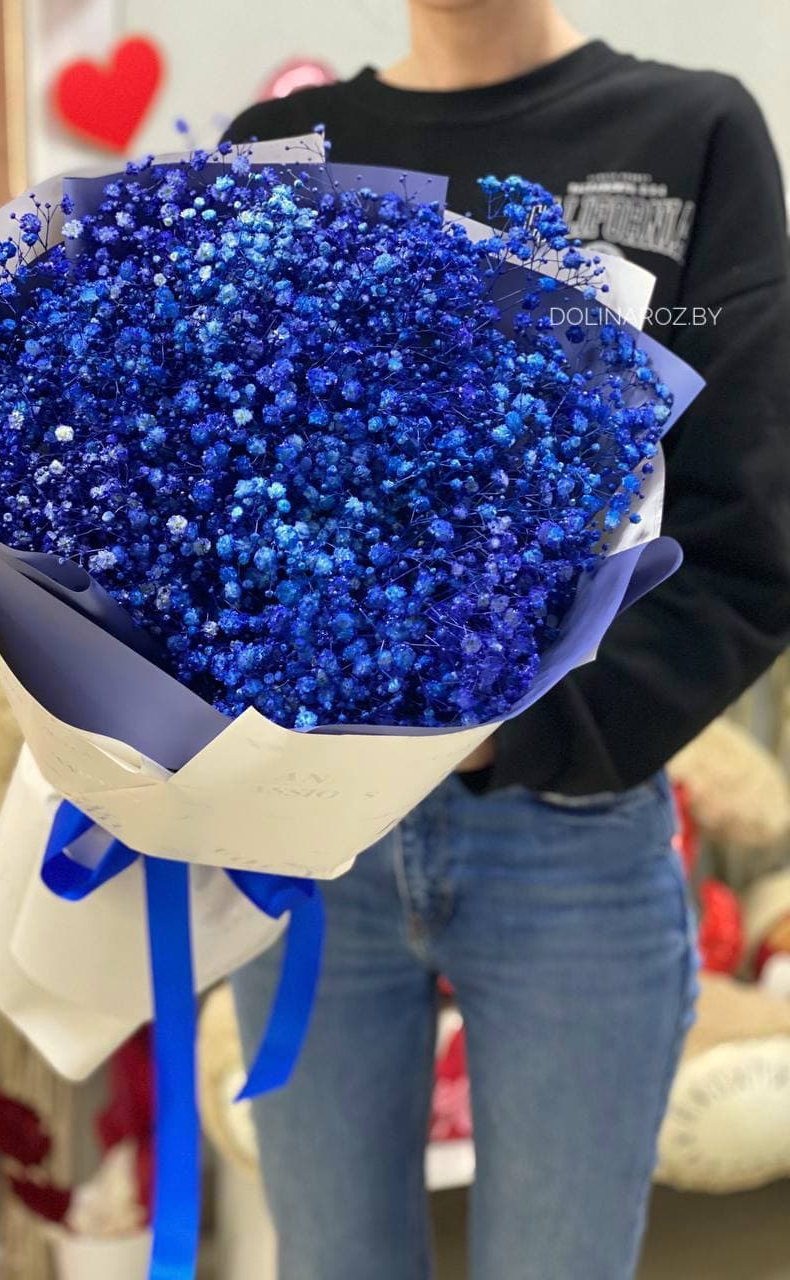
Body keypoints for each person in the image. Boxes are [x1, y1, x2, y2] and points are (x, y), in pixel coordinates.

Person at [223, 2, 790, 1277]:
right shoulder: (282, 148)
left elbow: (749, 535)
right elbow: (212, 513)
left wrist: (527, 733)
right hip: (313, 854)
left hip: (572, 844)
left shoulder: (691, 133)